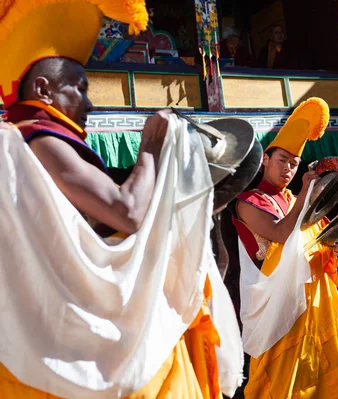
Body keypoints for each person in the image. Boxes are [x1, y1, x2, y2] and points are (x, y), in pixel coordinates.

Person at [0, 1, 242, 398]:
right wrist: (151, 146)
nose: (90, 104)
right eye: (79, 89)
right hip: (70, 338)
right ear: (43, 90)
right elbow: (125, 212)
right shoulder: (36, 137)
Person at [231, 97, 338, 398]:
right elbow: (281, 233)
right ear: (265, 159)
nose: (288, 168)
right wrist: (306, 191)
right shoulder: (248, 202)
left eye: (294, 163)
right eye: (282, 161)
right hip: (278, 309)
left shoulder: (294, 201)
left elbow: (322, 239)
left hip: (313, 303)